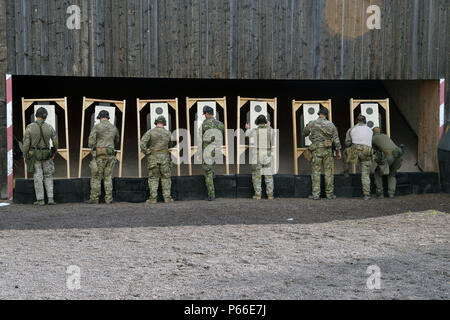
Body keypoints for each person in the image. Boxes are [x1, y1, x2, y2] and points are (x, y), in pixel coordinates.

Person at [303, 106, 342, 200]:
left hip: (316, 150)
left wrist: (308, 126)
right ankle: (329, 194)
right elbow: (336, 139)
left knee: (316, 172)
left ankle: (316, 195)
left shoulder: (312, 123)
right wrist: (338, 151)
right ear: (326, 115)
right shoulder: (331, 125)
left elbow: (304, 133)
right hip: (327, 151)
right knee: (328, 173)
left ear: (318, 114)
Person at [23, 107, 58, 205]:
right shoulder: (50, 127)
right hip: (47, 155)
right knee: (48, 176)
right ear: (45, 117)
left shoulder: (29, 127)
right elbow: (55, 142)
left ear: (36, 116)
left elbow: (26, 144)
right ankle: (51, 199)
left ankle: (40, 200)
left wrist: (25, 155)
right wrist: (54, 152)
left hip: (34, 155)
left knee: (38, 176)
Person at [87, 110, 120, 204]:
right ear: (108, 117)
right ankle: (108, 199)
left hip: (100, 155)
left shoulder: (97, 127)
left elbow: (91, 142)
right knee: (108, 177)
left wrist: (93, 147)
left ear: (100, 118)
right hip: (110, 155)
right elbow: (117, 140)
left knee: (96, 177)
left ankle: (95, 199)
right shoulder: (114, 128)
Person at [140, 116, 174, 204]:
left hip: (153, 158)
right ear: (164, 123)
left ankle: (153, 199)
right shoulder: (168, 133)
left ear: (156, 122)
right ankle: (167, 198)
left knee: (153, 178)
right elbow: (171, 144)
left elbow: (142, 143)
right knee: (166, 178)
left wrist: (147, 152)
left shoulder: (150, 132)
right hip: (165, 159)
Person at [343, 114, 374, 200]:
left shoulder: (352, 129)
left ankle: (346, 171)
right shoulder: (370, 130)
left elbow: (347, 143)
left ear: (357, 121)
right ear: (365, 121)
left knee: (345, 153)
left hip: (355, 151)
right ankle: (366, 194)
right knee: (365, 174)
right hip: (367, 151)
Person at [245, 115, 274, 200]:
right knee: (268, 176)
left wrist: (247, 127)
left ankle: (258, 195)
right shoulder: (269, 130)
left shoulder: (254, 131)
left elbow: (246, 134)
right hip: (267, 155)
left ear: (257, 122)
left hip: (257, 155)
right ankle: (270, 195)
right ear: (265, 122)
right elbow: (273, 132)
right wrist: (268, 125)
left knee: (256, 176)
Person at [199, 106, 225, 201]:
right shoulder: (220, 124)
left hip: (207, 152)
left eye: (204, 114)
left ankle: (211, 195)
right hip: (217, 151)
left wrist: (199, 152)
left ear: (206, 114)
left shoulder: (204, 125)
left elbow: (200, 139)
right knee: (211, 169)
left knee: (208, 173)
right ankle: (212, 186)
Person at [372, 127, 403, 198]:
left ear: (373, 132)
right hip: (398, 156)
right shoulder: (385, 136)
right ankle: (391, 193)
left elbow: (374, 151)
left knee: (377, 173)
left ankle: (380, 193)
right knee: (392, 175)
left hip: (389, 157)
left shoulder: (373, 138)